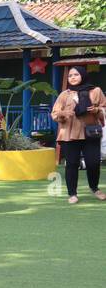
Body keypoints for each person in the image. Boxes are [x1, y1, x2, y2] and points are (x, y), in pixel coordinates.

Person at [50, 66, 106, 204]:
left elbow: (104, 109)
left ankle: (94, 188)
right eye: (70, 76)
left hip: (90, 133)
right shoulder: (64, 94)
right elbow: (55, 113)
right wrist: (63, 114)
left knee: (93, 163)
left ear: (83, 75)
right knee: (72, 164)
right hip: (69, 134)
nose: (72, 77)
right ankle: (72, 194)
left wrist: (97, 110)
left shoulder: (96, 91)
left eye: (76, 74)